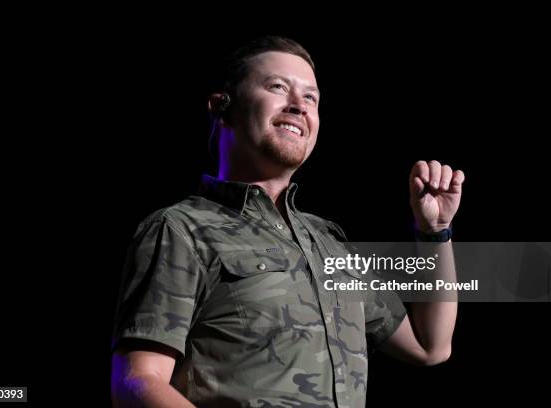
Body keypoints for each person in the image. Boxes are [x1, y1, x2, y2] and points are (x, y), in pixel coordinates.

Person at [111, 36, 465, 408]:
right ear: (222, 107)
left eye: (311, 98)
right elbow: (138, 382)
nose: (299, 106)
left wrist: (434, 233)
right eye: (278, 87)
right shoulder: (181, 230)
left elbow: (431, 346)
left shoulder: (329, 242)